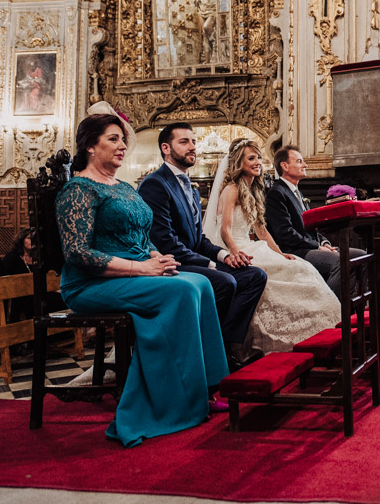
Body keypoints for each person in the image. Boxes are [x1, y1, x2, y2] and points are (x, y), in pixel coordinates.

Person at [55, 113, 228, 446]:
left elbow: (139, 234)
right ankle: (175, 401)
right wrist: (141, 269)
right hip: (90, 284)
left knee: (201, 284)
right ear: (91, 146)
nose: (122, 146)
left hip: (134, 271)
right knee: (179, 292)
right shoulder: (77, 190)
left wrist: (153, 256)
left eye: (123, 140)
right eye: (113, 139)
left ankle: (206, 388)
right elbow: (77, 254)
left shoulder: (122, 186)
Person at [138, 123, 267, 370]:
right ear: (166, 148)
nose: (192, 147)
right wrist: (209, 264)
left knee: (254, 276)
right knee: (225, 282)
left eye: (193, 141)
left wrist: (224, 255)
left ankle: (223, 347)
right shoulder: (155, 184)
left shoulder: (191, 187)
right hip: (170, 263)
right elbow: (165, 242)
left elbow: (198, 240)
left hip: (191, 259)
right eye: (184, 142)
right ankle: (206, 355)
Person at [203, 138, 340, 354]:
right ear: (239, 162)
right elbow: (225, 230)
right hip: (237, 248)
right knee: (291, 274)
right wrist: (234, 251)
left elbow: (261, 231)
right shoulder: (231, 189)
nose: (258, 162)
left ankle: (322, 332)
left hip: (253, 245)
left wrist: (280, 253)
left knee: (300, 267)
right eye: (251, 158)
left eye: (258, 157)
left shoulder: (254, 190)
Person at [265, 145, 366, 299]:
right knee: (340, 261)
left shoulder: (297, 192)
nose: (305, 165)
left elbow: (311, 227)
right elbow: (285, 233)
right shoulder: (277, 193)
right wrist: (316, 246)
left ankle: (353, 307)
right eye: (299, 161)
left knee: (361, 256)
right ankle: (330, 307)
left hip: (311, 246)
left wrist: (324, 243)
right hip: (295, 251)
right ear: (284, 166)